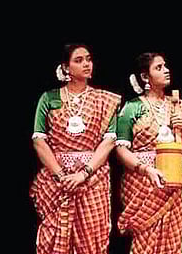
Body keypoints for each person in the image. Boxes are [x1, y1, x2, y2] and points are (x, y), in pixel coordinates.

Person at [30, 43, 121, 254]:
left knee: (92, 239)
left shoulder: (104, 100)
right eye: (78, 60)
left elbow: (109, 142)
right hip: (57, 181)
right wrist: (62, 176)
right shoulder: (49, 98)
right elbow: (39, 141)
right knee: (54, 237)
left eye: (88, 59)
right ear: (65, 67)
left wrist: (84, 174)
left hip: (93, 179)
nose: (86, 64)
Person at [115, 52, 182, 254]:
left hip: (177, 183)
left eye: (165, 66)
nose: (166, 70)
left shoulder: (181, 106)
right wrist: (146, 169)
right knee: (145, 243)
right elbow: (121, 149)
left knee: (175, 243)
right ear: (144, 77)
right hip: (143, 183)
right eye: (158, 68)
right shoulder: (132, 108)